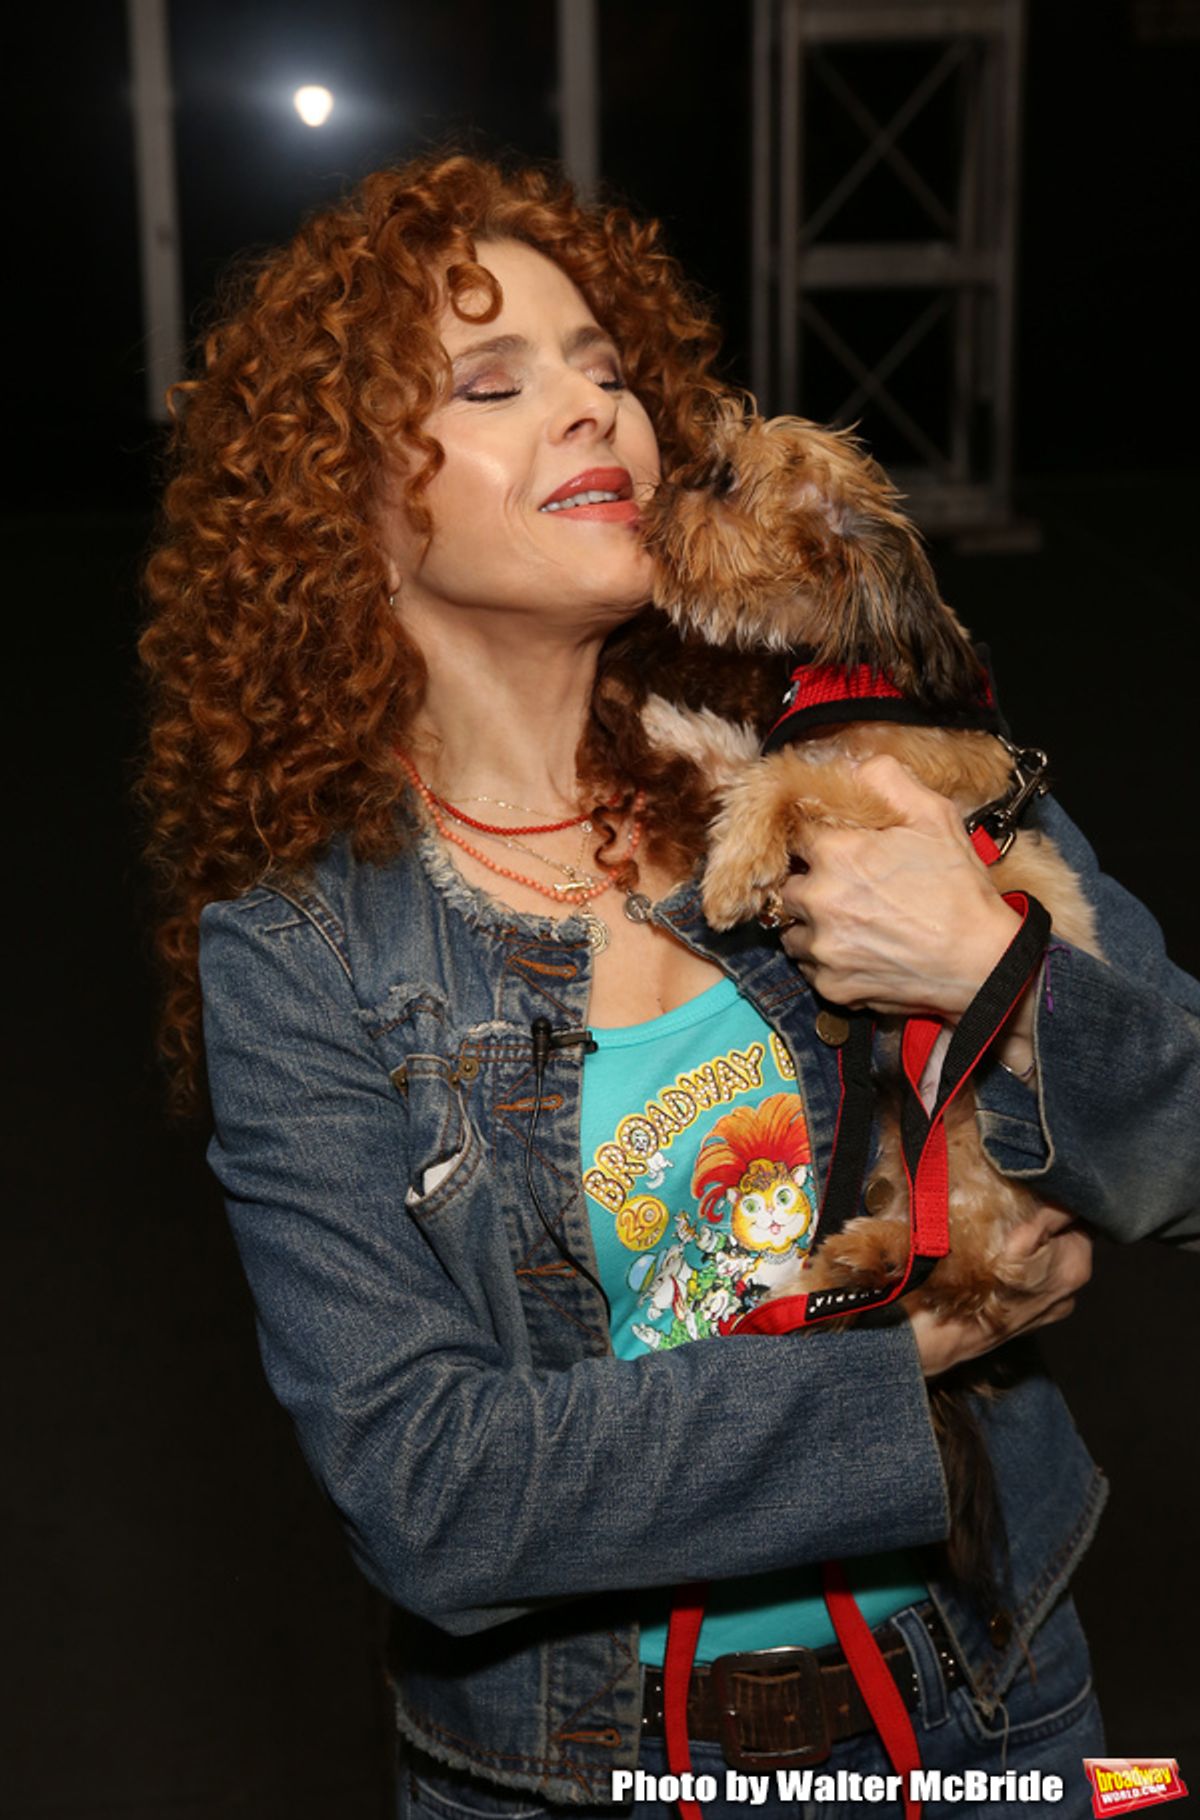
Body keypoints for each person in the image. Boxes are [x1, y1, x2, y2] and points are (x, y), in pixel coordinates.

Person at [138, 153, 1200, 1820]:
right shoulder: (297, 957)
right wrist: (898, 1351)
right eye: (498, 382)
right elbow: (434, 1499)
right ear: (346, 507)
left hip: (1002, 1702)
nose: (598, 416)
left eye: (609, 372)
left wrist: (986, 965)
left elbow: (1188, 1147)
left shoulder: (841, 750)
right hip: (565, 1774)